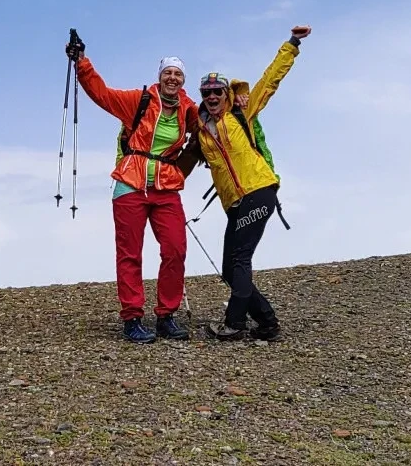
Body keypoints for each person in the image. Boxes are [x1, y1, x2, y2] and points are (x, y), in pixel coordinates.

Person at [66, 34, 200, 344]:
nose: (172, 77)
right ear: (159, 76)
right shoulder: (138, 101)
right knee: (130, 254)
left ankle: (166, 315)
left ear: (183, 81)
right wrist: (82, 62)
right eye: (168, 72)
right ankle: (133, 319)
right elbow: (102, 94)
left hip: (165, 187)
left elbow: (210, 123)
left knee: (175, 248)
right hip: (129, 184)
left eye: (178, 74)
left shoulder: (188, 109)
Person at [185, 25, 309, 341]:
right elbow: (181, 164)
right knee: (230, 268)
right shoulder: (201, 132)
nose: (212, 96)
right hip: (236, 205)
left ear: (226, 94)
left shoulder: (241, 113)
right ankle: (267, 324)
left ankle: (235, 324)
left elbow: (270, 80)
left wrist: (291, 44)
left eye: (217, 92)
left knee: (239, 260)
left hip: (259, 192)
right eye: (206, 93)